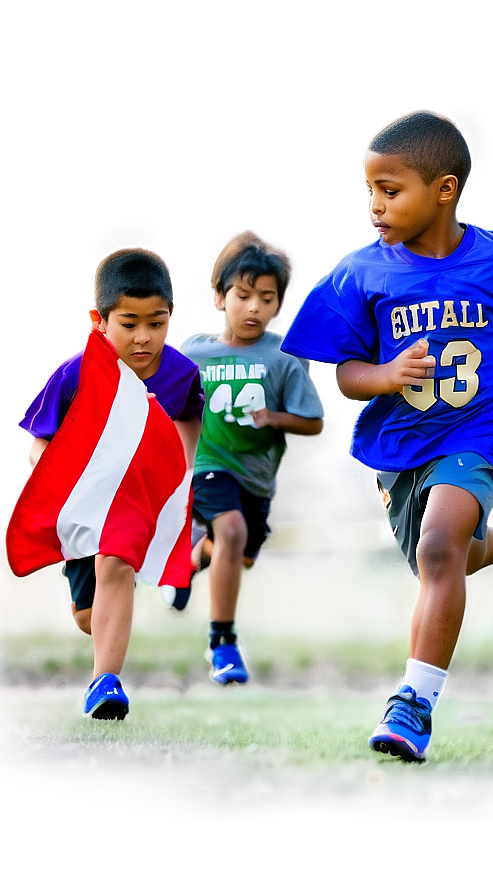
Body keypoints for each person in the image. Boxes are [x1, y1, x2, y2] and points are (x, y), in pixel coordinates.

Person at [281, 110, 493, 761]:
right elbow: (343, 378)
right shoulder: (361, 273)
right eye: (368, 189)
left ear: (444, 189)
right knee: (441, 551)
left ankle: (414, 704)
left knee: (437, 545)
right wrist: (386, 374)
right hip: (399, 446)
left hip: (482, 430)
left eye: (390, 190)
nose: (374, 205)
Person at [19, 248, 203, 718]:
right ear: (98, 320)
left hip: (135, 503)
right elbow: (37, 444)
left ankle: (104, 686)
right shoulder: (75, 374)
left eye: (156, 323)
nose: (144, 338)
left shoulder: (182, 374)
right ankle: (102, 623)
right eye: (129, 323)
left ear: (170, 317)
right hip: (84, 507)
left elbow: (189, 429)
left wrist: (182, 491)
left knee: (115, 566)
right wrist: (60, 487)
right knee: (88, 615)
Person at [168, 230, 324, 685]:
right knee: (232, 531)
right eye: (243, 295)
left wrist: (273, 418)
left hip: (257, 478)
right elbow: (167, 410)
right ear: (220, 297)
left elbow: (311, 421)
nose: (254, 307)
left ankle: (190, 563)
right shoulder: (194, 353)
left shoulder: (285, 355)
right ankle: (223, 644)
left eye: (267, 298)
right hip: (207, 467)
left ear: (279, 305)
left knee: (236, 548)